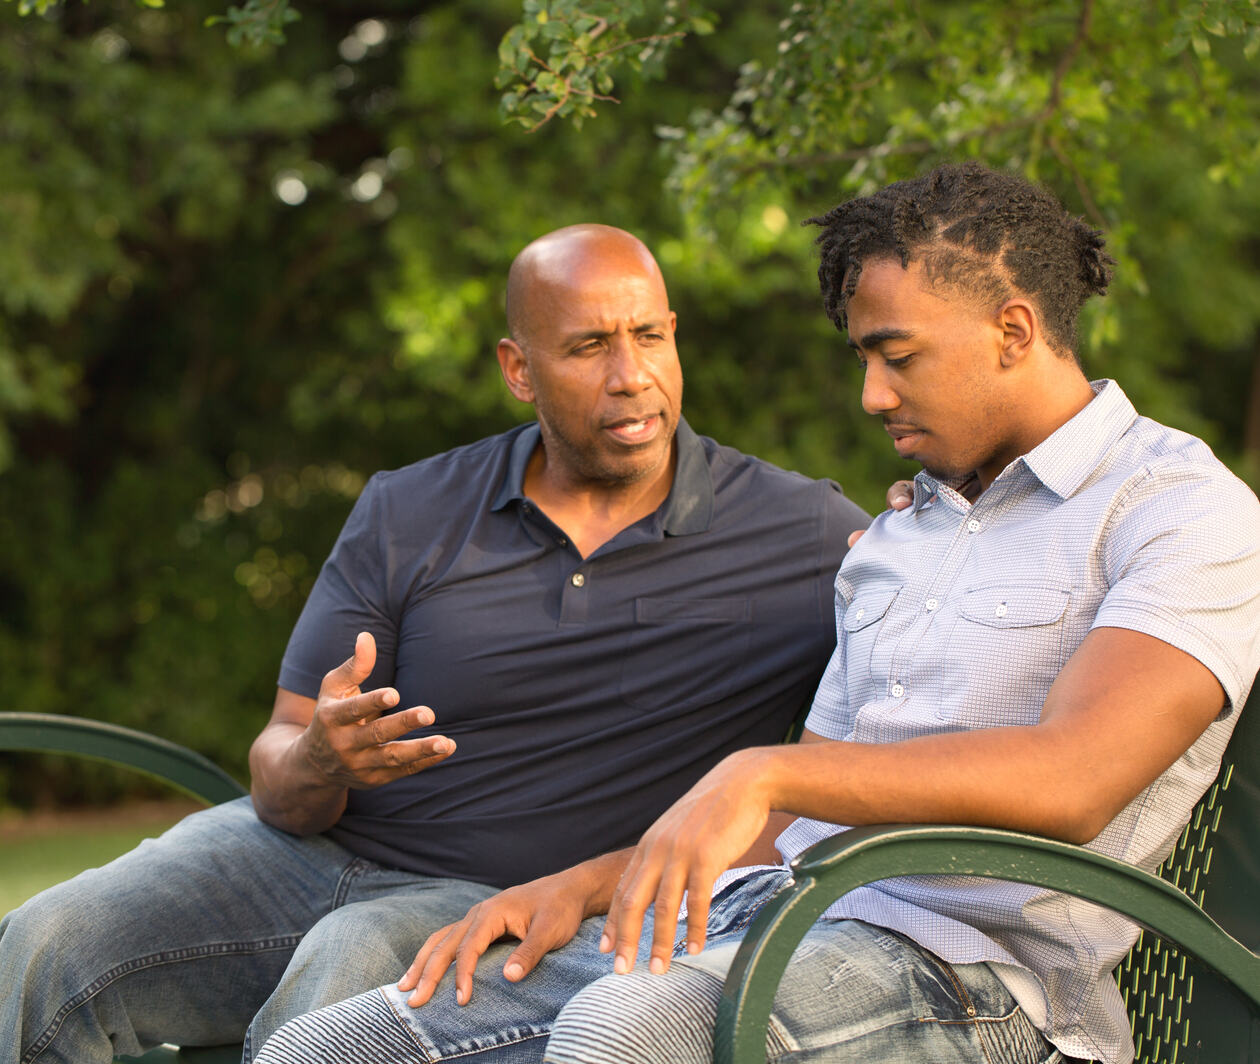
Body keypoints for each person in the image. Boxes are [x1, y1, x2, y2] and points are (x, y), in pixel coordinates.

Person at [253, 163, 1260, 1064]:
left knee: (622, 1029)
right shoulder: (906, 530)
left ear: (1014, 329)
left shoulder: (1174, 511)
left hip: (972, 981)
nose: (870, 394)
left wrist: (761, 763)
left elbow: (1078, 776)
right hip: (770, 919)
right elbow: (792, 824)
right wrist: (590, 880)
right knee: (340, 1041)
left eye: (896, 355)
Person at [0, 224, 872, 1064]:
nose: (630, 375)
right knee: (45, 942)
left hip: (509, 901)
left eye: (648, 336)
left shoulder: (800, 533)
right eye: (587, 347)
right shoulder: (409, 510)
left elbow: (924, 653)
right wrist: (319, 757)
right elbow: (277, 766)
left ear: (675, 335)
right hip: (299, 856)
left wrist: (926, 527)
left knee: (346, 962)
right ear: (518, 369)